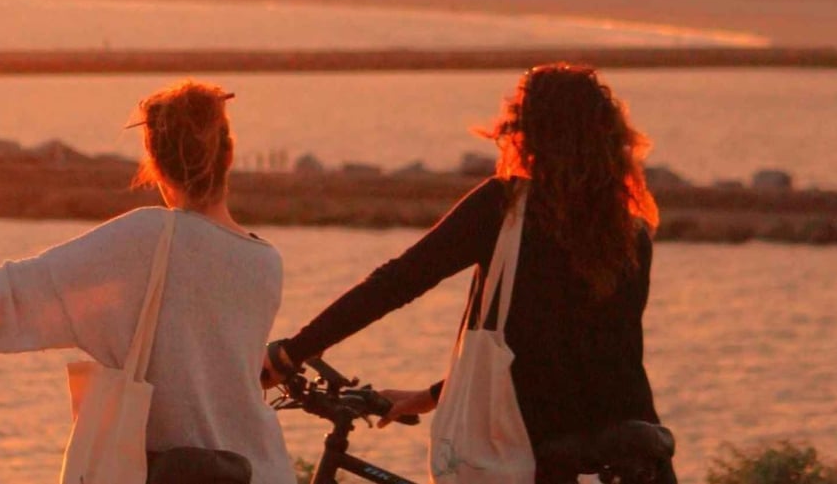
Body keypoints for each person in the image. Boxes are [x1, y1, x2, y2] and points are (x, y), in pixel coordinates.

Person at [0, 79, 294, 484]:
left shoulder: (151, 237)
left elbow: (27, 289)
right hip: (260, 470)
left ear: (153, 160)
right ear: (228, 154)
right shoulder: (265, 262)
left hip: (171, 474)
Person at [263, 63, 676, 484]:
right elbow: (583, 357)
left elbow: (395, 283)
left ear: (527, 132)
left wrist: (289, 354)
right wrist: (429, 397)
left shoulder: (504, 207)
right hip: (632, 457)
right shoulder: (630, 231)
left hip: (530, 459)